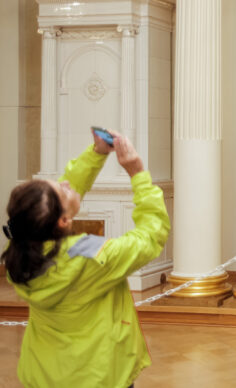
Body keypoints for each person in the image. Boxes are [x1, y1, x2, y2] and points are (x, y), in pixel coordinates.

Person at [2, 130, 170, 388]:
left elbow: (57, 199)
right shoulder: (91, 257)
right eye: (61, 188)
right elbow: (150, 238)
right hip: (98, 374)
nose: (67, 183)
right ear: (63, 221)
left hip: (44, 373)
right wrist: (138, 174)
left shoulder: (22, 248)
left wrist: (96, 154)